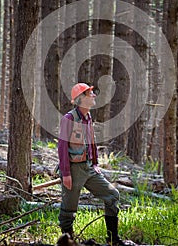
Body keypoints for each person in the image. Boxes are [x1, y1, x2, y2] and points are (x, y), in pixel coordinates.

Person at [58, 83, 125, 246]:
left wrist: (95, 163)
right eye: (90, 93)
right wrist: (66, 173)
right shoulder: (69, 119)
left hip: (88, 168)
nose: (94, 95)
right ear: (81, 99)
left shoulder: (87, 117)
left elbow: (91, 142)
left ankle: (113, 239)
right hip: (73, 170)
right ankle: (68, 242)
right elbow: (62, 147)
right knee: (69, 209)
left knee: (112, 195)